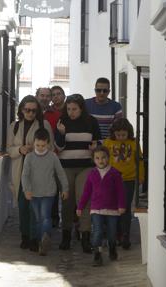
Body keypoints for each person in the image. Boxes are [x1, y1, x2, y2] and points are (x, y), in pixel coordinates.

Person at [7, 95, 54, 251]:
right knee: (22, 206)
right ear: (21, 109)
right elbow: (8, 148)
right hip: (20, 171)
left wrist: (36, 150)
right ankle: (25, 236)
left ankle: (35, 238)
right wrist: (20, 149)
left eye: (34, 111)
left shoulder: (43, 124)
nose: (30, 113)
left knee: (35, 206)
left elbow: (51, 148)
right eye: (27, 110)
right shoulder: (14, 126)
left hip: (38, 172)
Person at [55, 94, 101, 252]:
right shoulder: (62, 122)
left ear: (82, 108)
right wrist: (61, 134)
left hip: (85, 167)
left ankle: (85, 236)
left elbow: (98, 142)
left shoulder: (91, 122)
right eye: (68, 109)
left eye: (74, 109)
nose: (71, 112)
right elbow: (58, 148)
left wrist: (95, 147)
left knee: (84, 200)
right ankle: (66, 235)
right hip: (66, 167)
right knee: (67, 201)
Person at [21, 128, 69, 256]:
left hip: (48, 192)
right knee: (38, 219)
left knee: (45, 217)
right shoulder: (29, 157)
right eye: (38, 145)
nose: (40, 147)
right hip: (34, 193)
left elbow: (60, 173)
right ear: (34, 143)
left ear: (48, 144)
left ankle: (45, 237)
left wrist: (65, 188)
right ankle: (40, 240)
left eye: (43, 145)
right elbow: (25, 175)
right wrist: (26, 190)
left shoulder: (53, 157)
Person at [77, 146, 126, 266]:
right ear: (94, 160)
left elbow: (121, 191)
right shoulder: (92, 174)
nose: (101, 160)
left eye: (103, 157)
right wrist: (80, 207)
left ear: (108, 158)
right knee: (97, 232)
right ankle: (97, 255)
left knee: (111, 233)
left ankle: (112, 248)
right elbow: (86, 192)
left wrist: (121, 205)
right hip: (96, 209)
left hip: (112, 209)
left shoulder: (115, 174)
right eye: (97, 158)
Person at [103, 118, 145, 249]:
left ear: (129, 133)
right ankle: (115, 234)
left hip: (128, 180)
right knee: (113, 207)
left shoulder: (133, 143)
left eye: (123, 135)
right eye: (118, 135)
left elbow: (139, 160)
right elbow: (103, 161)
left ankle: (125, 234)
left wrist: (141, 176)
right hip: (111, 180)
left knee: (125, 207)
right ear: (113, 133)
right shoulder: (108, 143)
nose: (121, 137)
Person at [35, 87, 62, 227]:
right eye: (42, 95)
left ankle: (53, 217)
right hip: (33, 157)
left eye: (48, 95)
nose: (45, 98)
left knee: (53, 188)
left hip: (51, 156)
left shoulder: (57, 115)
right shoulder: (31, 112)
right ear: (37, 96)